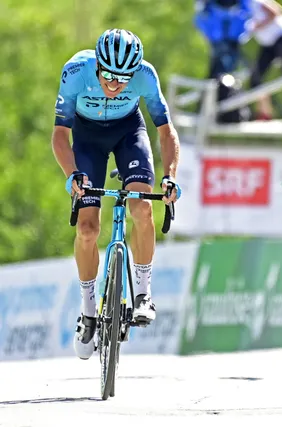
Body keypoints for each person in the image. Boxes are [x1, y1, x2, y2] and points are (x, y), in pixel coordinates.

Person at [51, 28, 182, 360]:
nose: (114, 84)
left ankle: (142, 294)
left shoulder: (146, 76)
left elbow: (166, 132)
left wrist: (169, 177)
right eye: (108, 75)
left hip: (128, 133)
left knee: (141, 206)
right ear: (97, 66)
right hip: (87, 140)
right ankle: (88, 310)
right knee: (87, 228)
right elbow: (59, 136)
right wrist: (72, 175)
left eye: (123, 78)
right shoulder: (76, 72)